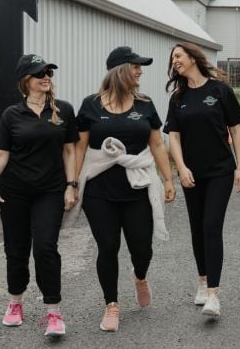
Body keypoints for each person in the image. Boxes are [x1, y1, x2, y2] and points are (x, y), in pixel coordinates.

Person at [70, 46, 176, 332]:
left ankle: (140, 276)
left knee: (142, 248)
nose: (141, 70)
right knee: (108, 246)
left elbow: (156, 144)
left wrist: (167, 179)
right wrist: (73, 184)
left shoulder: (145, 104)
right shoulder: (90, 105)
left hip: (137, 187)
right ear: (120, 70)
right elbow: (80, 147)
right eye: (136, 66)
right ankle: (112, 305)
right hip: (99, 190)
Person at [0, 54, 77, 337]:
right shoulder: (12, 114)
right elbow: (1, 154)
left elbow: (69, 150)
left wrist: (71, 185)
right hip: (14, 191)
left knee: (46, 247)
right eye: (40, 73)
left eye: (48, 72)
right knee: (16, 248)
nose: (46, 77)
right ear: (26, 81)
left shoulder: (63, 110)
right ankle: (15, 303)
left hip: (50, 191)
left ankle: (53, 311)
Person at [164, 42, 240, 318]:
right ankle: (202, 280)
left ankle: (213, 294)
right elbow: (173, 136)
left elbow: (235, 129)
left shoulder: (220, 90)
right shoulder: (178, 97)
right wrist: (181, 167)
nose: (174, 61)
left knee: (211, 226)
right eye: (173, 58)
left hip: (220, 171)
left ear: (192, 57)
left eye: (178, 56)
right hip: (192, 173)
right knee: (197, 228)